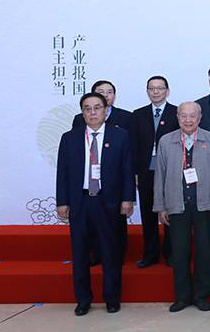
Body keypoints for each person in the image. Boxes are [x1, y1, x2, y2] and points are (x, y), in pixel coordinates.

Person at [56, 92, 134, 315]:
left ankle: (112, 298)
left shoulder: (120, 136)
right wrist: (62, 201)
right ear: (82, 113)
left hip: (108, 201)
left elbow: (127, 169)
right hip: (80, 201)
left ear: (105, 110)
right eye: (87, 109)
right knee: (80, 253)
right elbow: (62, 172)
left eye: (97, 108)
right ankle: (83, 299)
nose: (92, 113)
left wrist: (127, 198)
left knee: (111, 251)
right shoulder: (70, 138)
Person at [153, 101, 210, 312]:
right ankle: (182, 297)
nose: (188, 120)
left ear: (200, 117)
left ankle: (202, 295)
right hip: (176, 204)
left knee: (204, 251)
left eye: (192, 116)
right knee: (179, 252)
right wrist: (161, 206)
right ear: (177, 117)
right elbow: (159, 175)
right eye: (183, 116)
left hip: (205, 205)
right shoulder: (166, 141)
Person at [72, 80, 132, 266]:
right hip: (85, 190)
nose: (106, 95)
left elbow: (127, 163)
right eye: (101, 91)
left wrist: (128, 196)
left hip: (111, 189)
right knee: (87, 231)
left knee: (114, 230)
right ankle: (95, 255)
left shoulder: (125, 120)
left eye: (109, 92)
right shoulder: (78, 122)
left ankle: (115, 258)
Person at [130, 75, 178, 268]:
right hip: (145, 172)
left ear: (167, 91)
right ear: (147, 91)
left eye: (160, 88)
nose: (156, 91)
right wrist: (134, 172)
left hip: (171, 171)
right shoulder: (138, 114)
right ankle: (150, 254)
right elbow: (133, 146)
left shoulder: (177, 113)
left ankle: (171, 253)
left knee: (171, 214)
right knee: (148, 214)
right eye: (152, 88)